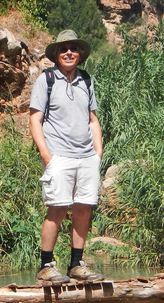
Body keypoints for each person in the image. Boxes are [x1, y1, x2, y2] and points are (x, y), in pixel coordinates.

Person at [29, 30, 105, 283]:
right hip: (59, 156)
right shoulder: (46, 80)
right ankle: (46, 265)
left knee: (83, 209)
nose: (69, 52)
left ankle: (77, 264)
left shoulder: (86, 80)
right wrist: (46, 155)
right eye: (63, 49)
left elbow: (92, 119)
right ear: (56, 55)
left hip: (86, 157)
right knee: (57, 208)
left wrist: (98, 152)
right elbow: (35, 119)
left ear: (80, 54)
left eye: (73, 48)